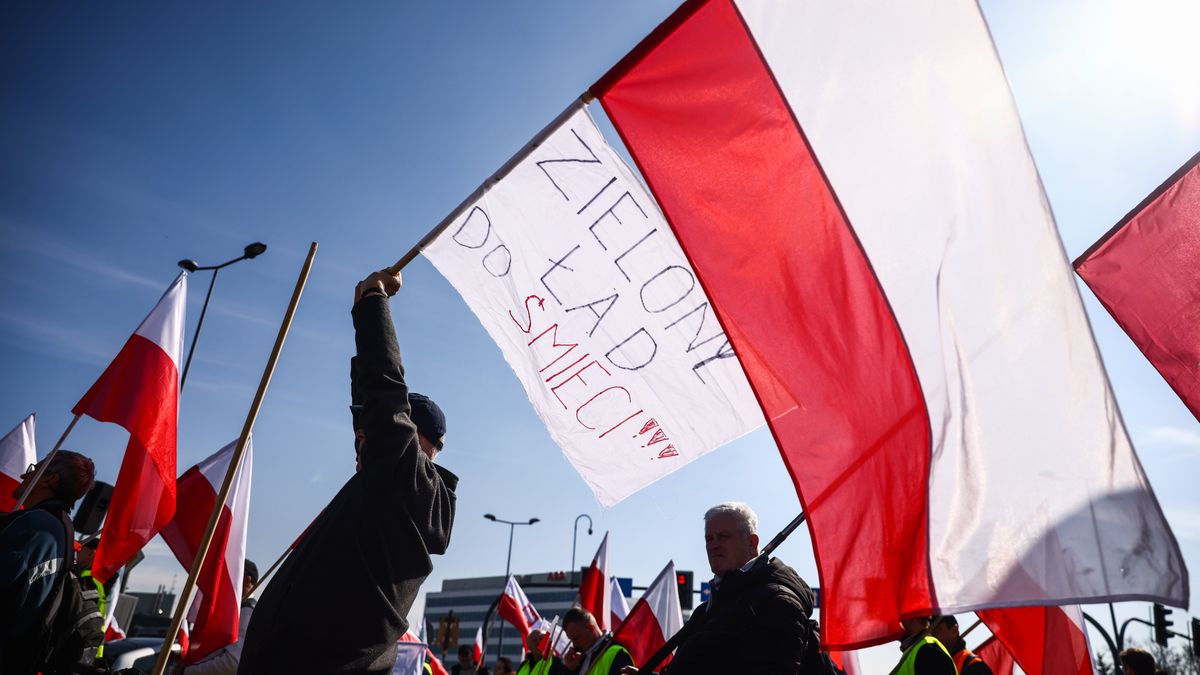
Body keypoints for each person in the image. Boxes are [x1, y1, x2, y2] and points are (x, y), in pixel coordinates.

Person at [238, 269, 459, 674]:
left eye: (371, 431)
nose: (361, 440)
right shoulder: (393, 486)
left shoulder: (406, 483)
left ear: (415, 442)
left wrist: (373, 303)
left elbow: (384, 391)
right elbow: (373, 409)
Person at [623, 502, 817, 674]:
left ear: (752, 543)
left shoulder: (777, 602)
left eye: (723, 537)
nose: (713, 545)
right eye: (709, 539)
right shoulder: (708, 608)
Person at [0, 450, 97, 675]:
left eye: (34, 469)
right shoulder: (61, 527)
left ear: (50, 479)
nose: (24, 476)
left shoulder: (36, 526)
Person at [178, 559, 259, 675]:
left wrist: (187, 672)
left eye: (234, 574)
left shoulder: (246, 612)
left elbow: (232, 663)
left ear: (247, 580)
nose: (225, 579)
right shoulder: (238, 611)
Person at [562, 608, 632, 675]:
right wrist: (570, 670)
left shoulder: (617, 654)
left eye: (576, 638)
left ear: (590, 628)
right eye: (571, 640)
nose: (574, 644)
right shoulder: (579, 659)